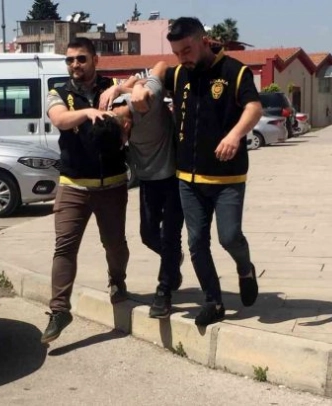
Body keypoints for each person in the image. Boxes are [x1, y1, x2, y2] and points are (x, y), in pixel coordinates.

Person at [131, 17, 263, 326]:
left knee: (229, 237)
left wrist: (235, 135)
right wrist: (134, 86)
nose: (182, 58)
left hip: (227, 178)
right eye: (177, 53)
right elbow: (157, 70)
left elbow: (254, 108)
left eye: (187, 50)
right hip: (188, 179)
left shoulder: (234, 71)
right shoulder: (179, 73)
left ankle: (245, 269)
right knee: (196, 243)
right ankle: (213, 301)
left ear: (204, 41)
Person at [41, 37, 130, 344]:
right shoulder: (58, 92)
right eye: (70, 60)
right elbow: (60, 119)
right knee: (64, 247)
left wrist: (120, 96)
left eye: (81, 58)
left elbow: (137, 97)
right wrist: (88, 113)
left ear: (95, 60)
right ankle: (59, 310)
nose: (75, 64)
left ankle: (117, 281)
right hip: (73, 186)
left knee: (114, 244)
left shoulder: (112, 86)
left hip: (112, 185)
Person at [108, 61, 185, 319]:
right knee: (148, 235)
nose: (124, 146)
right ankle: (173, 261)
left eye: (122, 142)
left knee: (171, 236)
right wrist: (123, 86)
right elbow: (127, 84)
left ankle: (164, 292)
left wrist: (138, 87)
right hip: (148, 180)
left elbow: (161, 65)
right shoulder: (109, 111)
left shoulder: (146, 102)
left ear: (125, 127)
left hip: (174, 177)